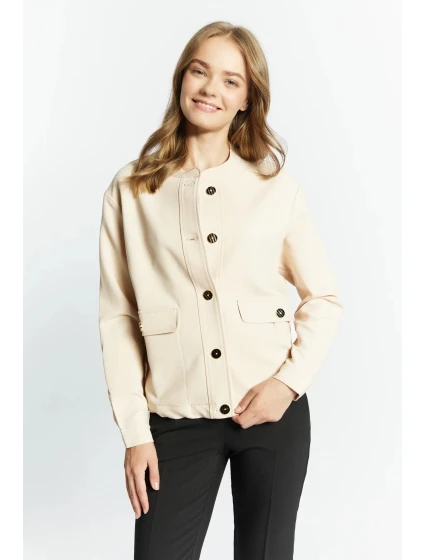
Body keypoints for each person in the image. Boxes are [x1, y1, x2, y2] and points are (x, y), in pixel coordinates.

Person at [98, 21, 344, 560]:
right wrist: (135, 432)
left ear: (247, 99)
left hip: (270, 413)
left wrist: (288, 384)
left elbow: (323, 299)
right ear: (181, 78)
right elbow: (117, 318)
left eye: (231, 81)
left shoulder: (275, 189)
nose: (211, 89)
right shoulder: (131, 189)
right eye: (200, 71)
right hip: (174, 417)